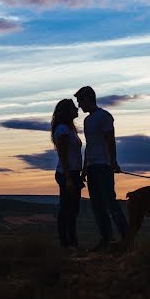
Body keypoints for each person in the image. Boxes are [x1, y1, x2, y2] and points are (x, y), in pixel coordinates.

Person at [74, 85, 128, 250]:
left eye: (80, 101)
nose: (79, 105)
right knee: (97, 206)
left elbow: (111, 140)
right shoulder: (87, 120)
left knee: (110, 203)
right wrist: (85, 168)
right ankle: (107, 239)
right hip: (92, 168)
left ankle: (126, 238)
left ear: (88, 99)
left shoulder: (104, 116)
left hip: (104, 166)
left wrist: (113, 162)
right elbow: (89, 146)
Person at [51, 98, 83, 249]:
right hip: (66, 173)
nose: (77, 109)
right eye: (73, 108)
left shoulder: (69, 129)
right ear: (67, 111)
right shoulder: (62, 130)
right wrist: (69, 178)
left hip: (73, 173)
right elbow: (63, 156)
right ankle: (66, 242)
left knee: (72, 209)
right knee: (67, 209)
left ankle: (71, 241)